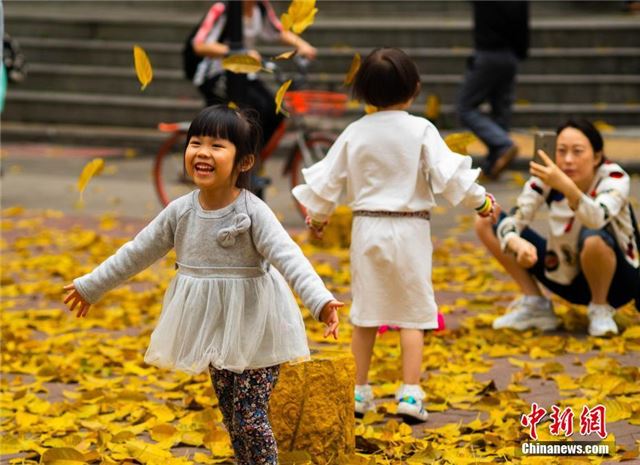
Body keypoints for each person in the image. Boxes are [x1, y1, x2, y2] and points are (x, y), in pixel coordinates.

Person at [62, 105, 342, 465]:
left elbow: (290, 258)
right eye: (196, 143)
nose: (203, 152)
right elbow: (137, 252)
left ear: (244, 162)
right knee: (233, 417)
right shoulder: (181, 211)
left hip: (257, 328)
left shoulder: (253, 211)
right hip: (213, 329)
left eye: (217, 145)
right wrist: (91, 286)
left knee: (250, 418)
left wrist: (320, 302)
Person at [292, 48, 499, 423]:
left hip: (367, 227)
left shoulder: (355, 132)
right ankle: (409, 393)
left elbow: (329, 179)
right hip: (411, 227)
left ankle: (357, 391)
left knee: (366, 312)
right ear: (414, 88)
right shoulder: (421, 129)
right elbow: (448, 174)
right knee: (414, 313)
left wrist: (318, 217)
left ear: (362, 93)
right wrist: (481, 201)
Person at [476, 119, 640, 337]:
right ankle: (536, 304)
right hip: (564, 272)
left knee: (594, 238)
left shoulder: (614, 177)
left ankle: (600, 308)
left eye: (577, 151)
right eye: (561, 151)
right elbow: (517, 216)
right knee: (487, 219)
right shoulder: (547, 178)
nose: (568, 160)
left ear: (597, 157)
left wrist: (565, 186)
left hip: (618, 283)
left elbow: (597, 218)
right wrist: (515, 241)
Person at [188, 0, 317, 148]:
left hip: (246, 73)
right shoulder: (222, 8)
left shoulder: (261, 7)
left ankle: (252, 157)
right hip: (217, 74)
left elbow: (278, 30)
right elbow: (199, 45)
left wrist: (302, 45)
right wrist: (240, 53)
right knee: (247, 115)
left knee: (275, 111)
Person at [456, 0, 529, 179]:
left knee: (465, 107)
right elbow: (523, 26)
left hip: (487, 54)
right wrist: (519, 53)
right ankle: (493, 163)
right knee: (500, 111)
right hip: (510, 56)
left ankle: (502, 144)